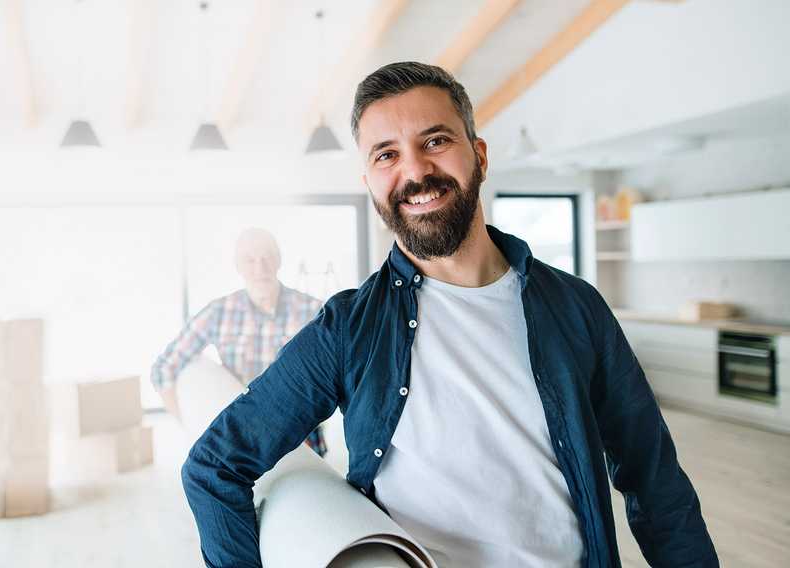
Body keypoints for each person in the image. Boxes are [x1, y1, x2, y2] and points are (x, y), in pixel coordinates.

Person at [181, 62, 718, 567]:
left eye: (435, 141)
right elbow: (214, 468)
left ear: (479, 155)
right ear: (368, 180)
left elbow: (656, 482)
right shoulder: (347, 330)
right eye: (385, 154)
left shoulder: (578, 307)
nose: (415, 171)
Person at [150, 227, 326, 456]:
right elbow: (163, 370)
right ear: (238, 266)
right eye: (249, 260)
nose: (259, 268)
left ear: (279, 260)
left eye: (266, 257)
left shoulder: (314, 310)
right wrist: (191, 426)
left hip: (302, 441)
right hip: (243, 443)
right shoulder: (219, 312)